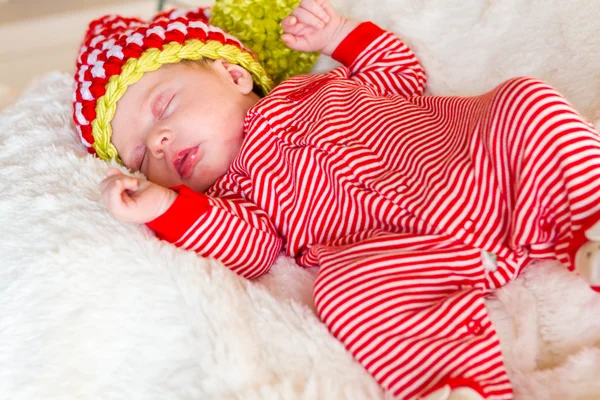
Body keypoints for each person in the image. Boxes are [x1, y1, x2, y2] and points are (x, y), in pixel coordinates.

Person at [73, 1, 600, 399]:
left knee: (526, 104)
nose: (159, 142)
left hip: (471, 166)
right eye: (141, 155)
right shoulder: (233, 201)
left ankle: (588, 221)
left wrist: (339, 36)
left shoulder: (316, 88)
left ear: (232, 74)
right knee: (345, 291)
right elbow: (248, 249)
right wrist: (163, 207)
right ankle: (454, 377)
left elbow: (398, 73)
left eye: (164, 105)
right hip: (406, 250)